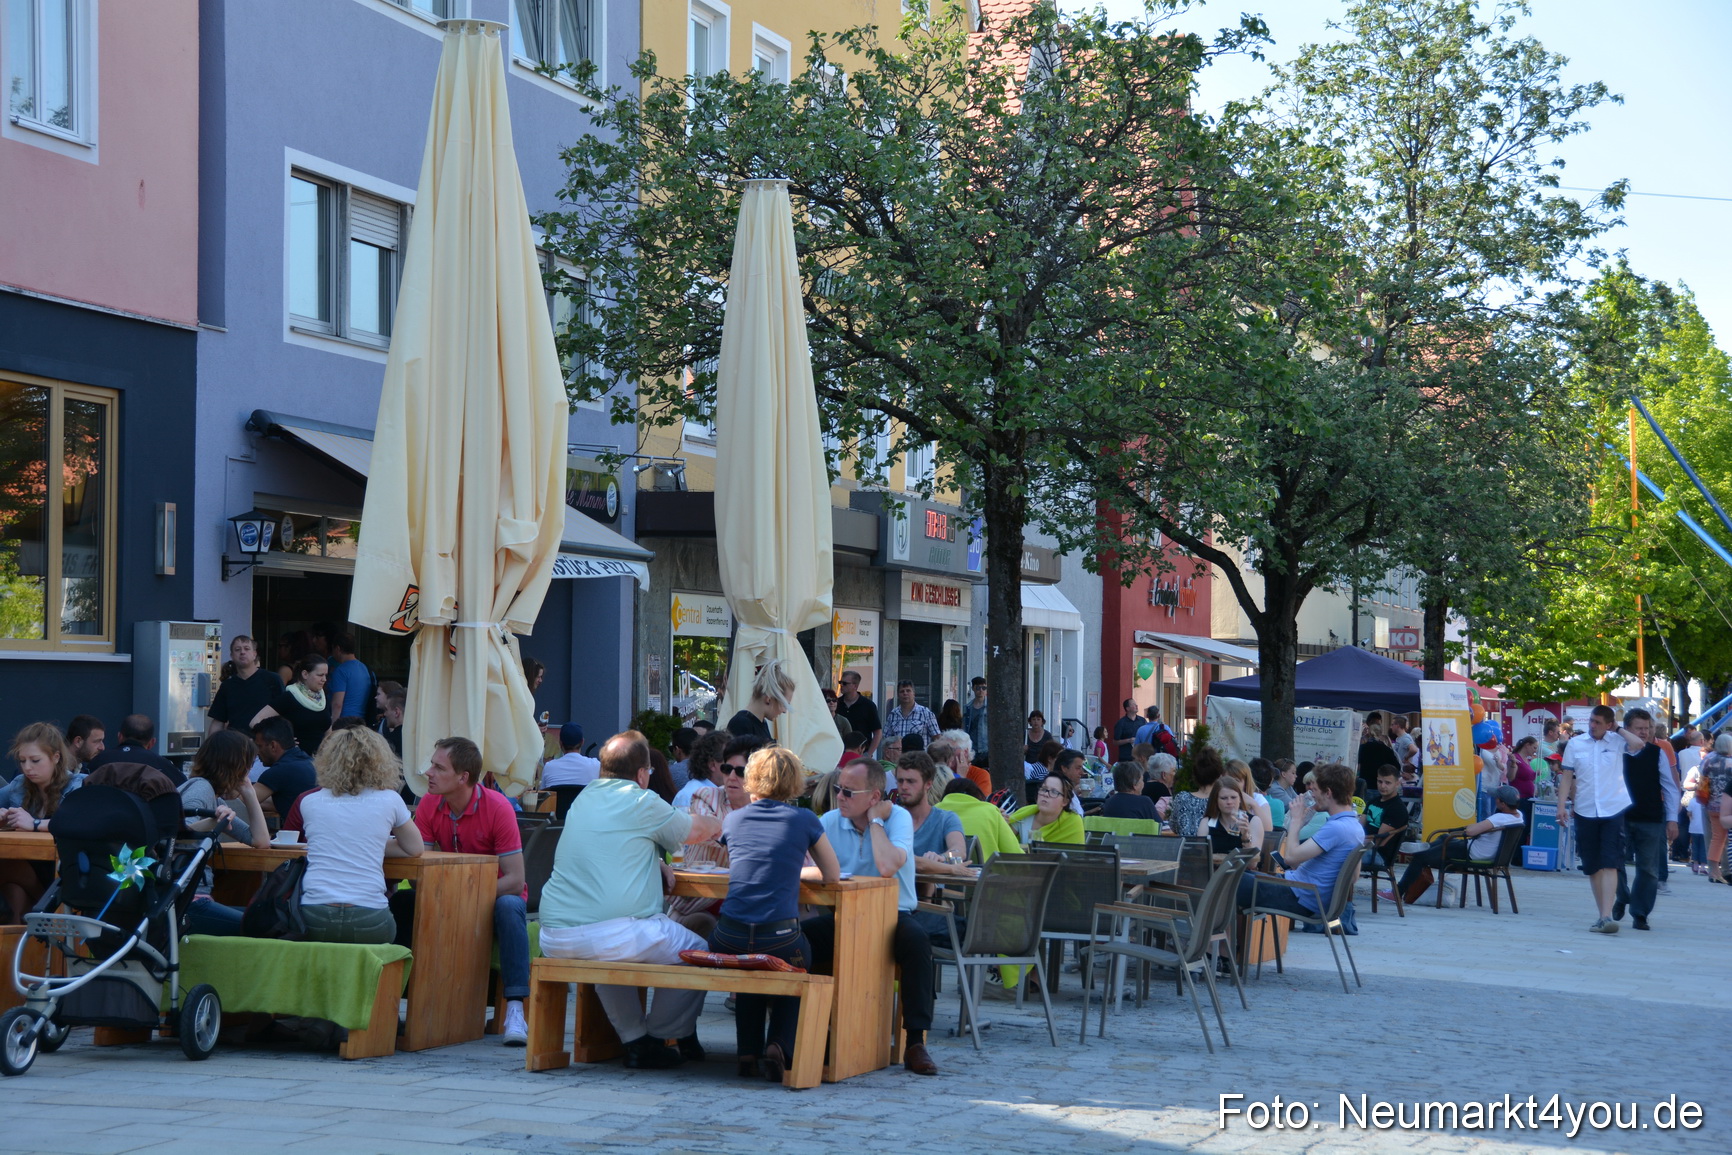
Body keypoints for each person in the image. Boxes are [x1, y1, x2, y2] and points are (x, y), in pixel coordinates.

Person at [538, 731, 724, 1069]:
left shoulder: (583, 799)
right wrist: (723, 820)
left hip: (554, 933)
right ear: (642, 773)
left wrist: (654, 860)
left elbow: (610, 842)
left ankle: (635, 1040)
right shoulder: (642, 800)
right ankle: (658, 1035)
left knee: (606, 954)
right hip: (612, 932)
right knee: (699, 954)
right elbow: (693, 831)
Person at [707, 746, 840, 1082]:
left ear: (752, 779)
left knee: (751, 962)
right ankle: (778, 1044)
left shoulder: (733, 819)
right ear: (795, 781)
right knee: (798, 960)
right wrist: (791, 871)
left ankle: (746, 1053)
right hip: (779, 935)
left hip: (728, 935)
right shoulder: (805, 819)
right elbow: (833, 875)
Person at [801, 757, 940, 1076]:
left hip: (893, 916)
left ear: (875, 797)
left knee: (917, 941)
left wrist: (876, 823)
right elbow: (803, 865)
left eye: (849, 792)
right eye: (838, 789)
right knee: (798, 938)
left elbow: (887, 866)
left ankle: (915, 1041)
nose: (839, 796)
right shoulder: (829, 821)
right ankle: (806, 1033)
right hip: (845, 916)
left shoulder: (899, 818)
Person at [403, 736, 531, 1044]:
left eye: (437, 767)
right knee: (403, 902)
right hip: (447, 895)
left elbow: (515, 879)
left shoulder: (498, 808)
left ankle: (515, 1010)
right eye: (431, 765)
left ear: (463, 777)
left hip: (495, 897)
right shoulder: (429, 804)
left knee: (510, 907)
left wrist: (466, 897)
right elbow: (423, 870)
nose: (428, 773)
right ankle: (393, 1000)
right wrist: (453, 896)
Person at [296, 727, 424, 944]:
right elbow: (414, 848)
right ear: (381, 761)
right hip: (370, 917)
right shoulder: (390, 800)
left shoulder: (310, 802)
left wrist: (359, 841)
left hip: (314, 915)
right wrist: (370, 842)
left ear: (328, 760)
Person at [1558, 704, 1646, 932]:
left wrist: (1617, 729)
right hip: (1585, 809)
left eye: (1598, 722)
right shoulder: (1576, 744)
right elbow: (1567, 777)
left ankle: (1607, 916)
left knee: (1611, 862)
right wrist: (1562, 806)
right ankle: (1602, 915)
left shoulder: (1617, 741)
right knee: (1592, 865)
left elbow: (1638, 744)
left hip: (1613, 808)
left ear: (1608, 725)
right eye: (1591, 721)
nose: (1592, 726)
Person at [1236, 762, 1361, 920]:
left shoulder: (1336, 828)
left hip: (1300, 896)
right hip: (1303, 891)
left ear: (1328, 793)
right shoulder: (1354, 826)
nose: (1312, 795)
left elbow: (1290, 858)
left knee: (1225, 881)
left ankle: (1216, 941)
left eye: (1314, 790)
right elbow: (1354, 878)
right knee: (1234, 876)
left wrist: (1296, 820)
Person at [670, 735, 767, 937]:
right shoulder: (707, 796)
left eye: (740, 771)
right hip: (700, 904)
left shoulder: (768, 806)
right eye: (726, 769)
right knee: (709, 925)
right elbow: (713, 833)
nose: (731, 776)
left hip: (748, 904)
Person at [179, 730, 273, 936]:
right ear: (236, 766)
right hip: (186, 902)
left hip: (191, 899)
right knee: (265, 928)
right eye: (248, 766)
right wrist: (211, 822)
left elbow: (260, 841)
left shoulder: (212, 795)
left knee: (267, 920)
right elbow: (176, 834)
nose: (249, 773)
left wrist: (249, 792)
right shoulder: (200, 790)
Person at [1384, 785, 1524, 905]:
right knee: (1445, 837)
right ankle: (1427, 847)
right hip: (1487, 854)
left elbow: (1470, 831)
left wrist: (1476, 827)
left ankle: (1398, 892)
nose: (1495, 800)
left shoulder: (1499, 818)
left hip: (1473, 853)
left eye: (1497, 799)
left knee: (1421, 858)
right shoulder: (1518, 816)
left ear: (1503, 804)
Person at [0, 724, 84, 922]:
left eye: (35, 760)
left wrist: (35, 823)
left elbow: (79, 822)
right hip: (28, 863)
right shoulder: (19, 784)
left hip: (64, 868)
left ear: (56, 757)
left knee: (8, 868)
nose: (27, 767)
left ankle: (46, 908)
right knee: (13, 887)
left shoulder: (78, 784)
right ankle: (36, 920)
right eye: (22, 761)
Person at [1612, 708, 1680, 931]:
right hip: (1618, 815)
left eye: (1647, 728)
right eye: (1639, 728)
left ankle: (1640, 913)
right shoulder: (1614, 750)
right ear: (1627, 728)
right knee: (1613, 862)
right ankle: (1622, 895)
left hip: (1650, 817)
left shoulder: (1656, 753)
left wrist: (1672, 819)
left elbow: (1670, 787)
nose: (1644, 732)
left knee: (1648, 868)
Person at [894, 752, 968, 869]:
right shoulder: (890, 819)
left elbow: (958, 851)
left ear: (928, 784)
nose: (904, 786)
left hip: (932, 885)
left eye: (911, 781)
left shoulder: (945, 818)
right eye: (900, 781)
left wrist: (942, 857)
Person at [252, 654, 334, 757]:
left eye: (326, 675)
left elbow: (328, 733)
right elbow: (256, 721)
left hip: (320, 762)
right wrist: (280, 740)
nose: (324, 679)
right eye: (320, 675)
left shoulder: (324, 699)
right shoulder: (289, 697)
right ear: (305, 674)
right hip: (296, 760)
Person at [206, 635, 284, 736]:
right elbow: (218, 722)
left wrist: (287, 742)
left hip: (266, 745)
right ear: (232, 656)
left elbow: (285, 712)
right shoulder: (227, 686)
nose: (242, 652)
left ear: (254, 654)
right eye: (237, 650)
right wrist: (211, 748)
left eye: (247, 649)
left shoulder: (273, 679)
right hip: (236, 744)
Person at [85, 714, 185, 786]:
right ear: (151, 743)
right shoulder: (161, 765)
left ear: (119, 737)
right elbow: (183, 787)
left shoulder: (98, 761)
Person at [937, 777, 1021, 860]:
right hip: (985, 872)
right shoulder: (990, 811)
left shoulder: (934, 811)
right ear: (977, 794)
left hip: (938, 870)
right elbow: (1014, 853)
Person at [250, 716, 318, 818]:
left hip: (301, 833)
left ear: (273, 745)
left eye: (259, 746)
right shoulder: (310, 762)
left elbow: (241, 802)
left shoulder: (280, 770)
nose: (257, 753)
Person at [726, 659, 796, 742]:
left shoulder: (761, 723)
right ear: (769, 699)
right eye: (784, 705)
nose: (784, 711)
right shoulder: (741, 724)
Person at [1006, 774, 1084, 846]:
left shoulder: (1072, 821)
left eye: (1054, 792)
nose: (1046, 794)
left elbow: (1075, 856)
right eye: (1043, 789)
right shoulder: (1024, 814)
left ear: (1064, 801)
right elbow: (1005, 843)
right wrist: (1001, 823)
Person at [1201, 777, 1264, 856]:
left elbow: (1253, 864)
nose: (1229, 802)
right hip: (1214, 868)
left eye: (1233, 797)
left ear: (1240, 799)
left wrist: (1245, 837)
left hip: (1242, 868)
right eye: (1224, 798)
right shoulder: (1207, 822)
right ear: (1216, 800)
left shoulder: (1253, 821)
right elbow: (1201, 860)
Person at [1362, 765, 1410, 869]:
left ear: (1397, 783)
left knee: (1338, 855)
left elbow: (1379, 841)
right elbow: (1359, 826)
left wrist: (1354, 841)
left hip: (1378, 855)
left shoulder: (1397, 809)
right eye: (1380, 782)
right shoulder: (1372, 802)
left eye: (1387, 783)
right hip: (1362, 847)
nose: (1382, 786)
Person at [1172, 746, 1223, 837]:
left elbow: (1174, 827)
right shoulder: (1221, 801)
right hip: (1210, 850)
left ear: (1195, 774)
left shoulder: (1181, 798)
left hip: (1184, 849)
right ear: (1219, 775)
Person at [672, 730, 729, 810]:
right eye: (728, 763)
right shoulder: (688, 796)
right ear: (712, 765)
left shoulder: (727, 792)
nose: (733, 770)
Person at [1702, 731, 1732, 884]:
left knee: (1717, 839)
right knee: (1727, 840)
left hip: (1712, 804)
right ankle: (1727, 871)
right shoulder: (1731, 763)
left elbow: (1702, 780)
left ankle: (1714, 871)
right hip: (1729, 807)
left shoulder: (1708, 760)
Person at [325, 632, 373, 720]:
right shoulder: (364, 668)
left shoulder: (341, 671)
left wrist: (332, 727)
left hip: (344, 722)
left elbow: (337, 704)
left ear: (338, 649)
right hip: (361, 721)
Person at [835, 671, 882, 756]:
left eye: (844, 683)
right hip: (839, 754)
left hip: (861, 753)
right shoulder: (836, 704)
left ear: (855, 686)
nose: (841, 685)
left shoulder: (868, 705)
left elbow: (877, 733)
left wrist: (868, 754)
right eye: (840, 682)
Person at [541, 723, 600, 788]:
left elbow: (542, 795)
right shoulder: (596, 765)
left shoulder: (549, 767)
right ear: (582, 742)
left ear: (560, 743)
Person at [883, 680, 940, 746]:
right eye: (902, 691)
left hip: (919, 755)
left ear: (914, 693)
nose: (905, 693)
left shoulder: (926, 713)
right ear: (898, 695)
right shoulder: (893, 714)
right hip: (899, 755)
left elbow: (937, 737)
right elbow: (886, 739)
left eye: (908, 691)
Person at [1358, 719, 1398, 784]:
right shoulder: (1386, 749)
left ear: (1369, 733)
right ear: (1380, 734)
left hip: (1366, 783)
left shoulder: (1363, 748)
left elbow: (1358, 765)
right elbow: (1397, 766)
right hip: (1382, 783)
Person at [374, 682, 406, 759]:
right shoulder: (417, 737)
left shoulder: (390, 744)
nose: (385, 714)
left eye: (387, 710)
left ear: (396, 712)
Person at [962, 677, 990, 757]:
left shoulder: (991, 707)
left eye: (984, 688)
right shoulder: (967, 707)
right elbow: (964, 727)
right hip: (972, 747)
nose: (981, 690)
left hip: (986, 747)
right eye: (978, 688)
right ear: (973, 689)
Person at [1111, 698, 1142, 763]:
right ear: (1127, 708)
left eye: (1136, 704)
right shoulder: (1121, 723)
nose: (1136, 706)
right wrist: (1128, 740)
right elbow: (1115, 742)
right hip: (1126, 757)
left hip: (1140, 757)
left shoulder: (1142, 721)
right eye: (1133, 704)